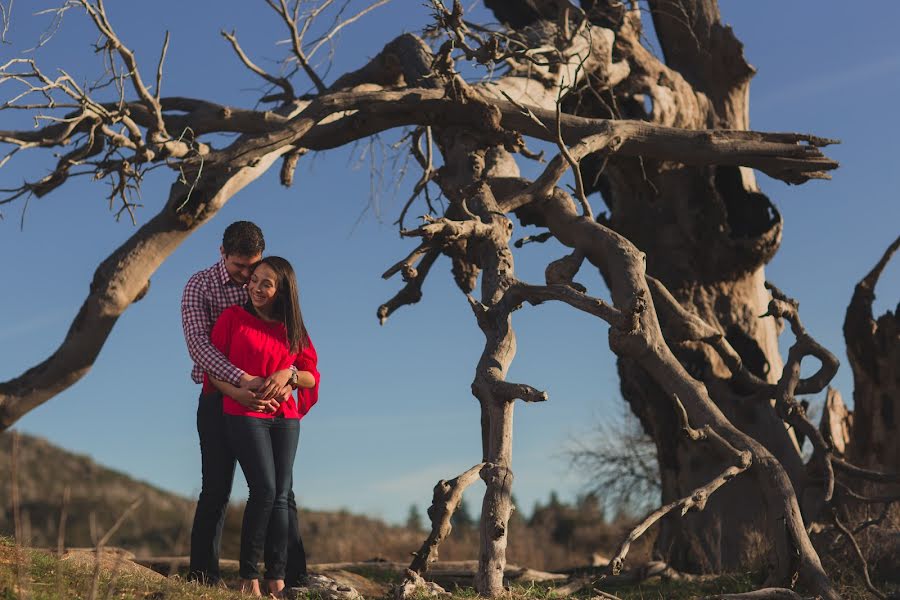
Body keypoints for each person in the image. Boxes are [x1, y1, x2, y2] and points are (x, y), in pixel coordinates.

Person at [181, 221, 312, 588]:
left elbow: (291, 351)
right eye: (239, 267)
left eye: (252, 268)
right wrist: (240, 384)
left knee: (278, 490)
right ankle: (203, 576)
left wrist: (287, 377)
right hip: (218, 396)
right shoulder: (200, 286)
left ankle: (292, 574)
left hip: (268, 406)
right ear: (222, 253)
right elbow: (200, 348)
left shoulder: (263, 284)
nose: (246, 277)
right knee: (217, 488)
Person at [206, 256, 319, 597]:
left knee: (282, 497)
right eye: (254, 280)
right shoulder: (233, 318)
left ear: (281, 290)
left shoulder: (292, 327)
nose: (256, 287)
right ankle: (248, 577)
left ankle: (277, 578)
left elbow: (311, 375)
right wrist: (240, 394)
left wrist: (290, 373)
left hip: (285, 418)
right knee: (265, 491)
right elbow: (213, 370)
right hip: (243, 415)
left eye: (265, 283)